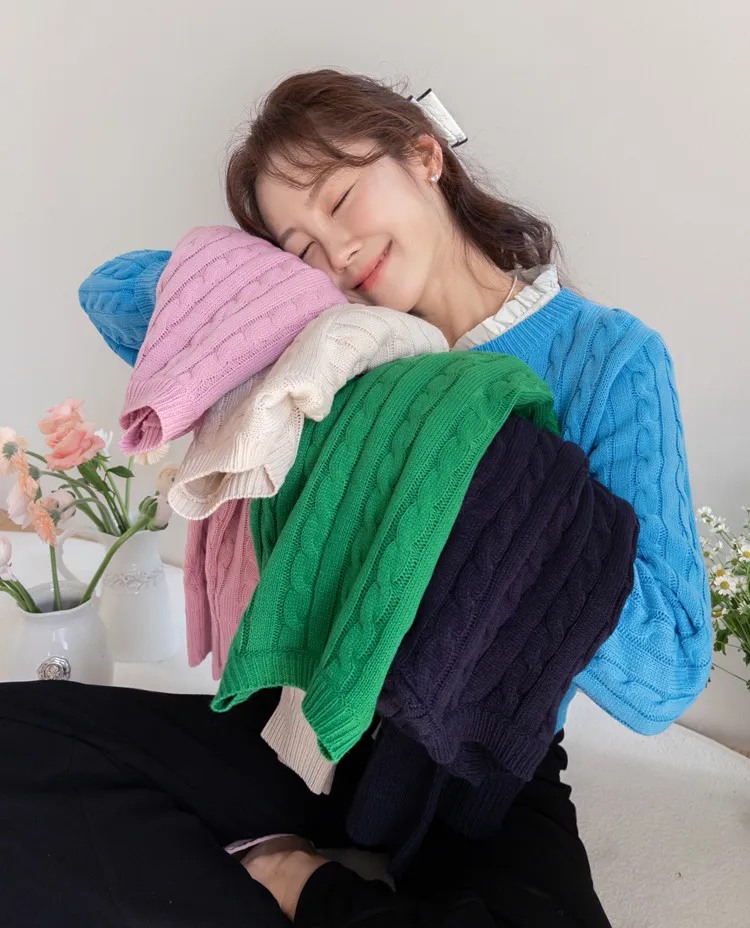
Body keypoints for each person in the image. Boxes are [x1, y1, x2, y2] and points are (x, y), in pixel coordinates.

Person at [1, 69, 710, 927]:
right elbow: (114, 294)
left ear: (424, 156)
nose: (335, 251)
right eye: (299, 244)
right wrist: (301, 306)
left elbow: (668, 677)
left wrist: (488, 474)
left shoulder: (606, 357)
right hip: (297, 721)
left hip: (477, 757)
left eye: (340, 199)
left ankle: (298, 886)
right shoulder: (331, 349)